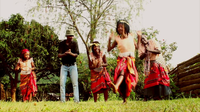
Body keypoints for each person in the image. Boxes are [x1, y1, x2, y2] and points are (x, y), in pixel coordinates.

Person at [107, 19, 139, 103]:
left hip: (130, 60)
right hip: (121, 60)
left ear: (126, 27)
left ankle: (123, 97)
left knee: (127, 79)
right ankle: (117, 88)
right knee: (122, 71)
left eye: (121, 27)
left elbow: (137, 47)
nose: (119, 28)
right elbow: (109, 49)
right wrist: (109, 39)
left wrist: (139, 38)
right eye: (118, 27)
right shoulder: (117, 38)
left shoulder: (131, 36)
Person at [137, 35, 172, 101]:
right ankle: (147, 97)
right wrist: (145, 52)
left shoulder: (153, 41)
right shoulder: (140, 46)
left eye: (144, 38)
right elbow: (141, 57)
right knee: (148, 80)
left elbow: (159, 51)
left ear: (146, 38)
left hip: (157, 62)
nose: (143, 40)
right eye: (141, 40)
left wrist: (149, 50)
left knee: (158, 80)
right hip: (148, 65)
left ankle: (158, 96)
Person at [58, 29, 79, 103]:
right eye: (70, 36)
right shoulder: (62, 44)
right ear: (67, 36)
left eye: (72, 36)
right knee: (62, 83)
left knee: (75, 83)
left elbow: (76, 54)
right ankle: (62, 100)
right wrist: (65, 54)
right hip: (64, 65)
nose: (71, 37)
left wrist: (70, 54)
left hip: (72, 65)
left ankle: (76, 100)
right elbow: (59, 55)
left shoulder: (75, 43)